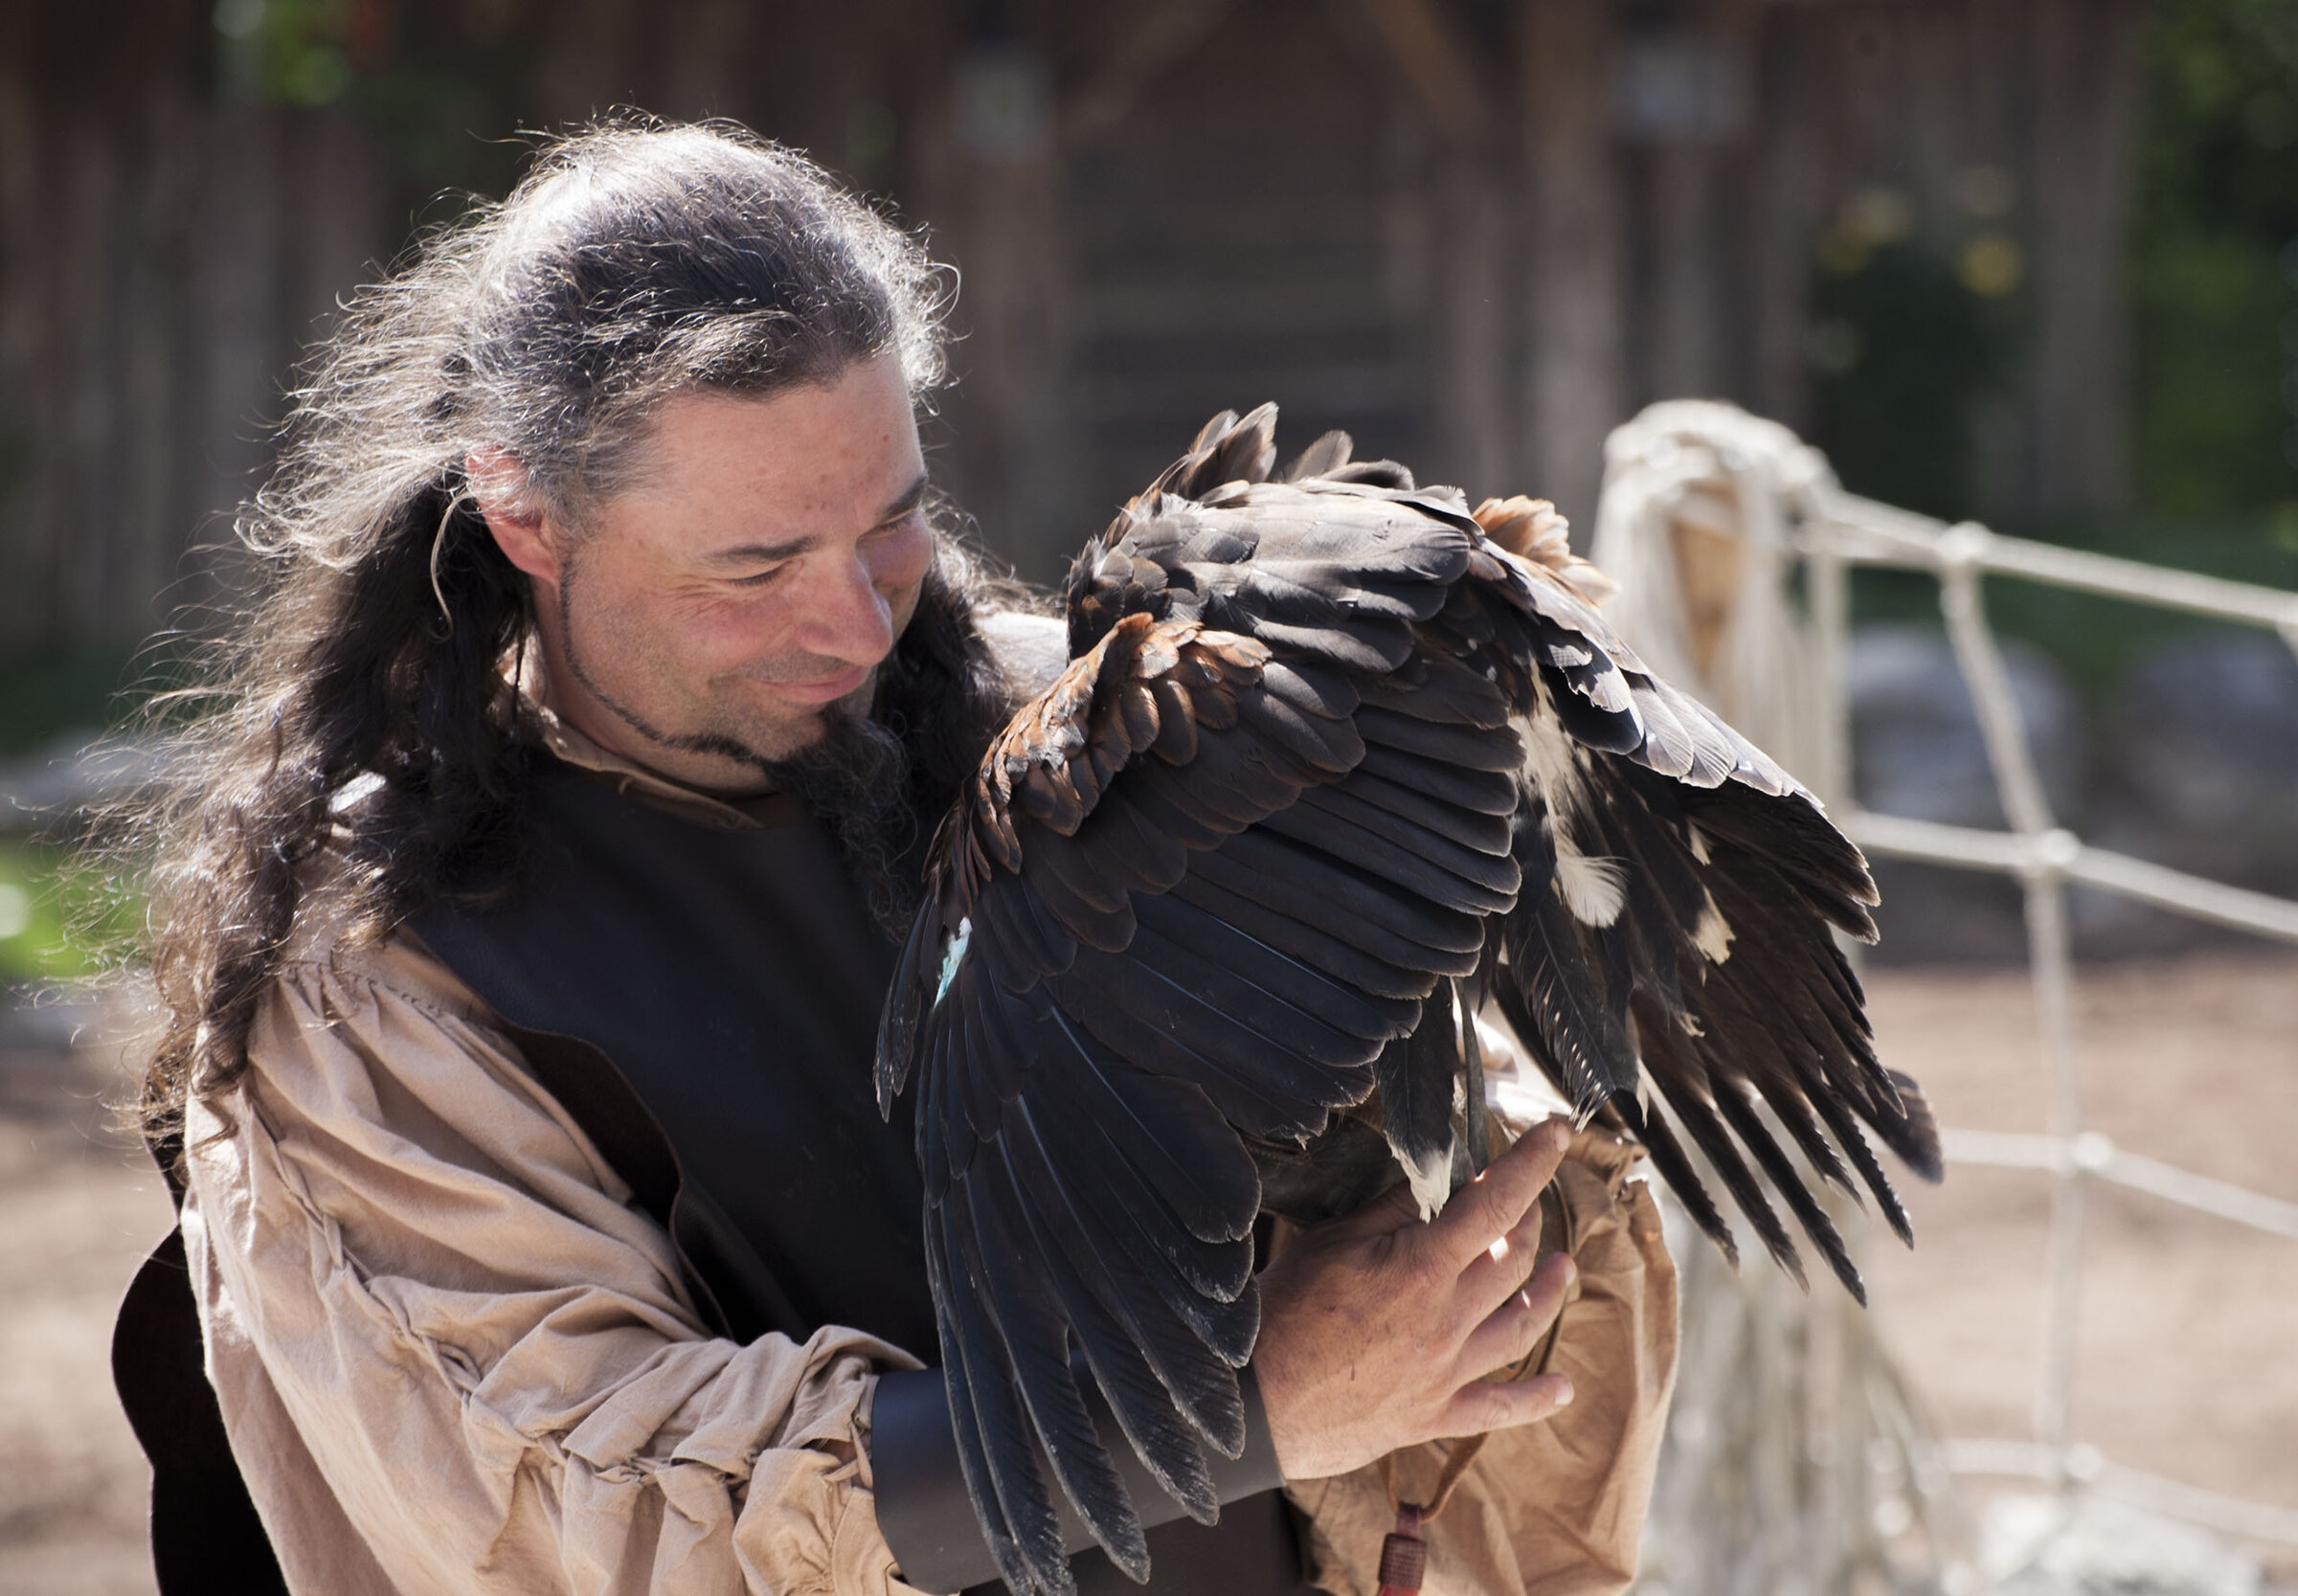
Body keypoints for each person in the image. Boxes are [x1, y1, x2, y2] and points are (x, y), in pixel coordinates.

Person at [111, 118, 1676, 1596]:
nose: (857, 625)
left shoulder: (1091, 743)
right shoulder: (382, 966)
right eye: (756, 564)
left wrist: (1455, 1176)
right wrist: (1248, 1406)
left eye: (890, 526)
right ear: (525, 517)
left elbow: (1480, 1214)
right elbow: (584, 1504)